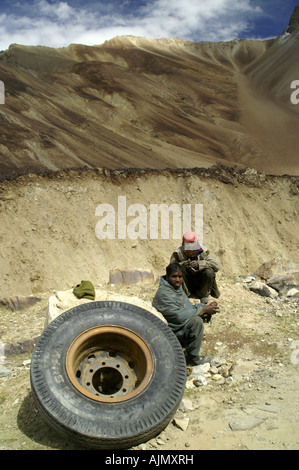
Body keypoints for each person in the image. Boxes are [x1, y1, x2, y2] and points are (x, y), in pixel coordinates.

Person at [152, 262, 219, 366]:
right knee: (196, 321)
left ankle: (188, 351)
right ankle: (193, 358)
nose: (177, 280)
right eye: (174, 276)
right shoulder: (164, 294)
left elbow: (188, 309)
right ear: (167, 276)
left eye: (180, 276)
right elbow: (179, 317)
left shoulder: (177, 289)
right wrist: (204, 310)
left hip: (178, 329)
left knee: (196, 318)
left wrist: (205, 307)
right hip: (168, 334)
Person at [170, 231, 220, 303]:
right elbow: (170, 270)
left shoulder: (203, 251)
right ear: (183, 244)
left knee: (209, 272)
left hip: (201, 283)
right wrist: (182, 265)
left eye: (192, 243)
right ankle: (184, 295)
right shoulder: (177, 253)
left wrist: (199, 264)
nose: (190, 246)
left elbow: (216, 266)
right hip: (186, 284)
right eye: (187, 244)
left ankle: (203, 295)